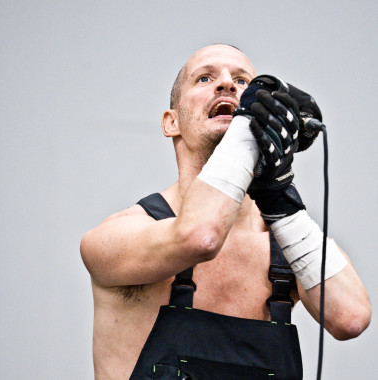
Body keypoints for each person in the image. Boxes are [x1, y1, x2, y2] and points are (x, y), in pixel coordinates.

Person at [80, 44, 371, 379]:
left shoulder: (284, 244)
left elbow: (351, 317)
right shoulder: (115, 236)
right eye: (204, 78)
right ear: (171, 122)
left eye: (243, 82)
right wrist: (247, 131)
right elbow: (199, 237)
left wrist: (280, 200)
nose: (227, 85)